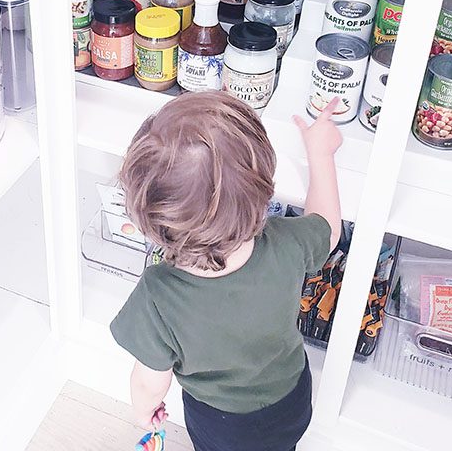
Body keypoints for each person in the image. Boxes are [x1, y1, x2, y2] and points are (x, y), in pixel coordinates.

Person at [110, 91, 343, 451]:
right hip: (292, 400)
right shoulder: (286, 243)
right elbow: (328, 225)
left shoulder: (158, 294)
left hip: (221, 424)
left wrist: (146, 410)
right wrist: (320, 153)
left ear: (150, 217)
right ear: (265, 192)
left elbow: (149, 381)